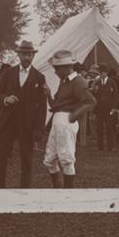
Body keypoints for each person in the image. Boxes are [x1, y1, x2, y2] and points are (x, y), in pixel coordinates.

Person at [0, 41, 48, 188]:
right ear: (18, 55)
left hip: (27, 125)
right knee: (0, 158)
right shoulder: (8, 73)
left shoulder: (39, 77)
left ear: (33, 55)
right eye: (24, 54)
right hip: (7, 122)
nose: (27, 57)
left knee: (27, 160)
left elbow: (42, 107)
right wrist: (6, 99)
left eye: (29, 54)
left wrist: (39, 129)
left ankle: (25, 192)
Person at [42, 50, 96, 188]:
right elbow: (55, 105)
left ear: (66, 67)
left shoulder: (78, 82)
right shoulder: (64, 81)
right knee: (49, 161)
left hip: (66, 120)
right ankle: (59, 191)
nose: (55, 72)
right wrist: (48, 95)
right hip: (58, 120)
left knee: (67, 160)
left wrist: (74, 115)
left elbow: (91, 102)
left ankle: (68, 194)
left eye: (57, 69)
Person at [91, 63, 118, 151]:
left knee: (109, 127)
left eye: (103, 72)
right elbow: (94, 96)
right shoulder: (97, 82)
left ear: (106, 73)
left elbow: (115, 96)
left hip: (109, 108)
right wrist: (94, 91)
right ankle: (100, 146)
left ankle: (111, 146)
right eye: (100, 73)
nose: (101, 74)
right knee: (99, 127)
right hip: (99, 108)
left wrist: (114, 107)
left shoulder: (112, 82)